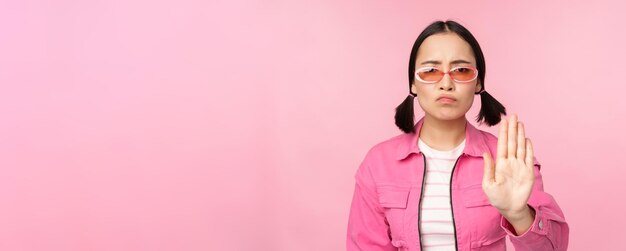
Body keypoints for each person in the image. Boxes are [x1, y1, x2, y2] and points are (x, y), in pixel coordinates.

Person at [346, 20, 569, 251]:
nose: (446, 83)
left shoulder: (508, 160)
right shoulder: (379, 163)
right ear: (413, 82)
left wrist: (519, 214)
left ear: (478, 81)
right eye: (430, 71)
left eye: (461, 70)